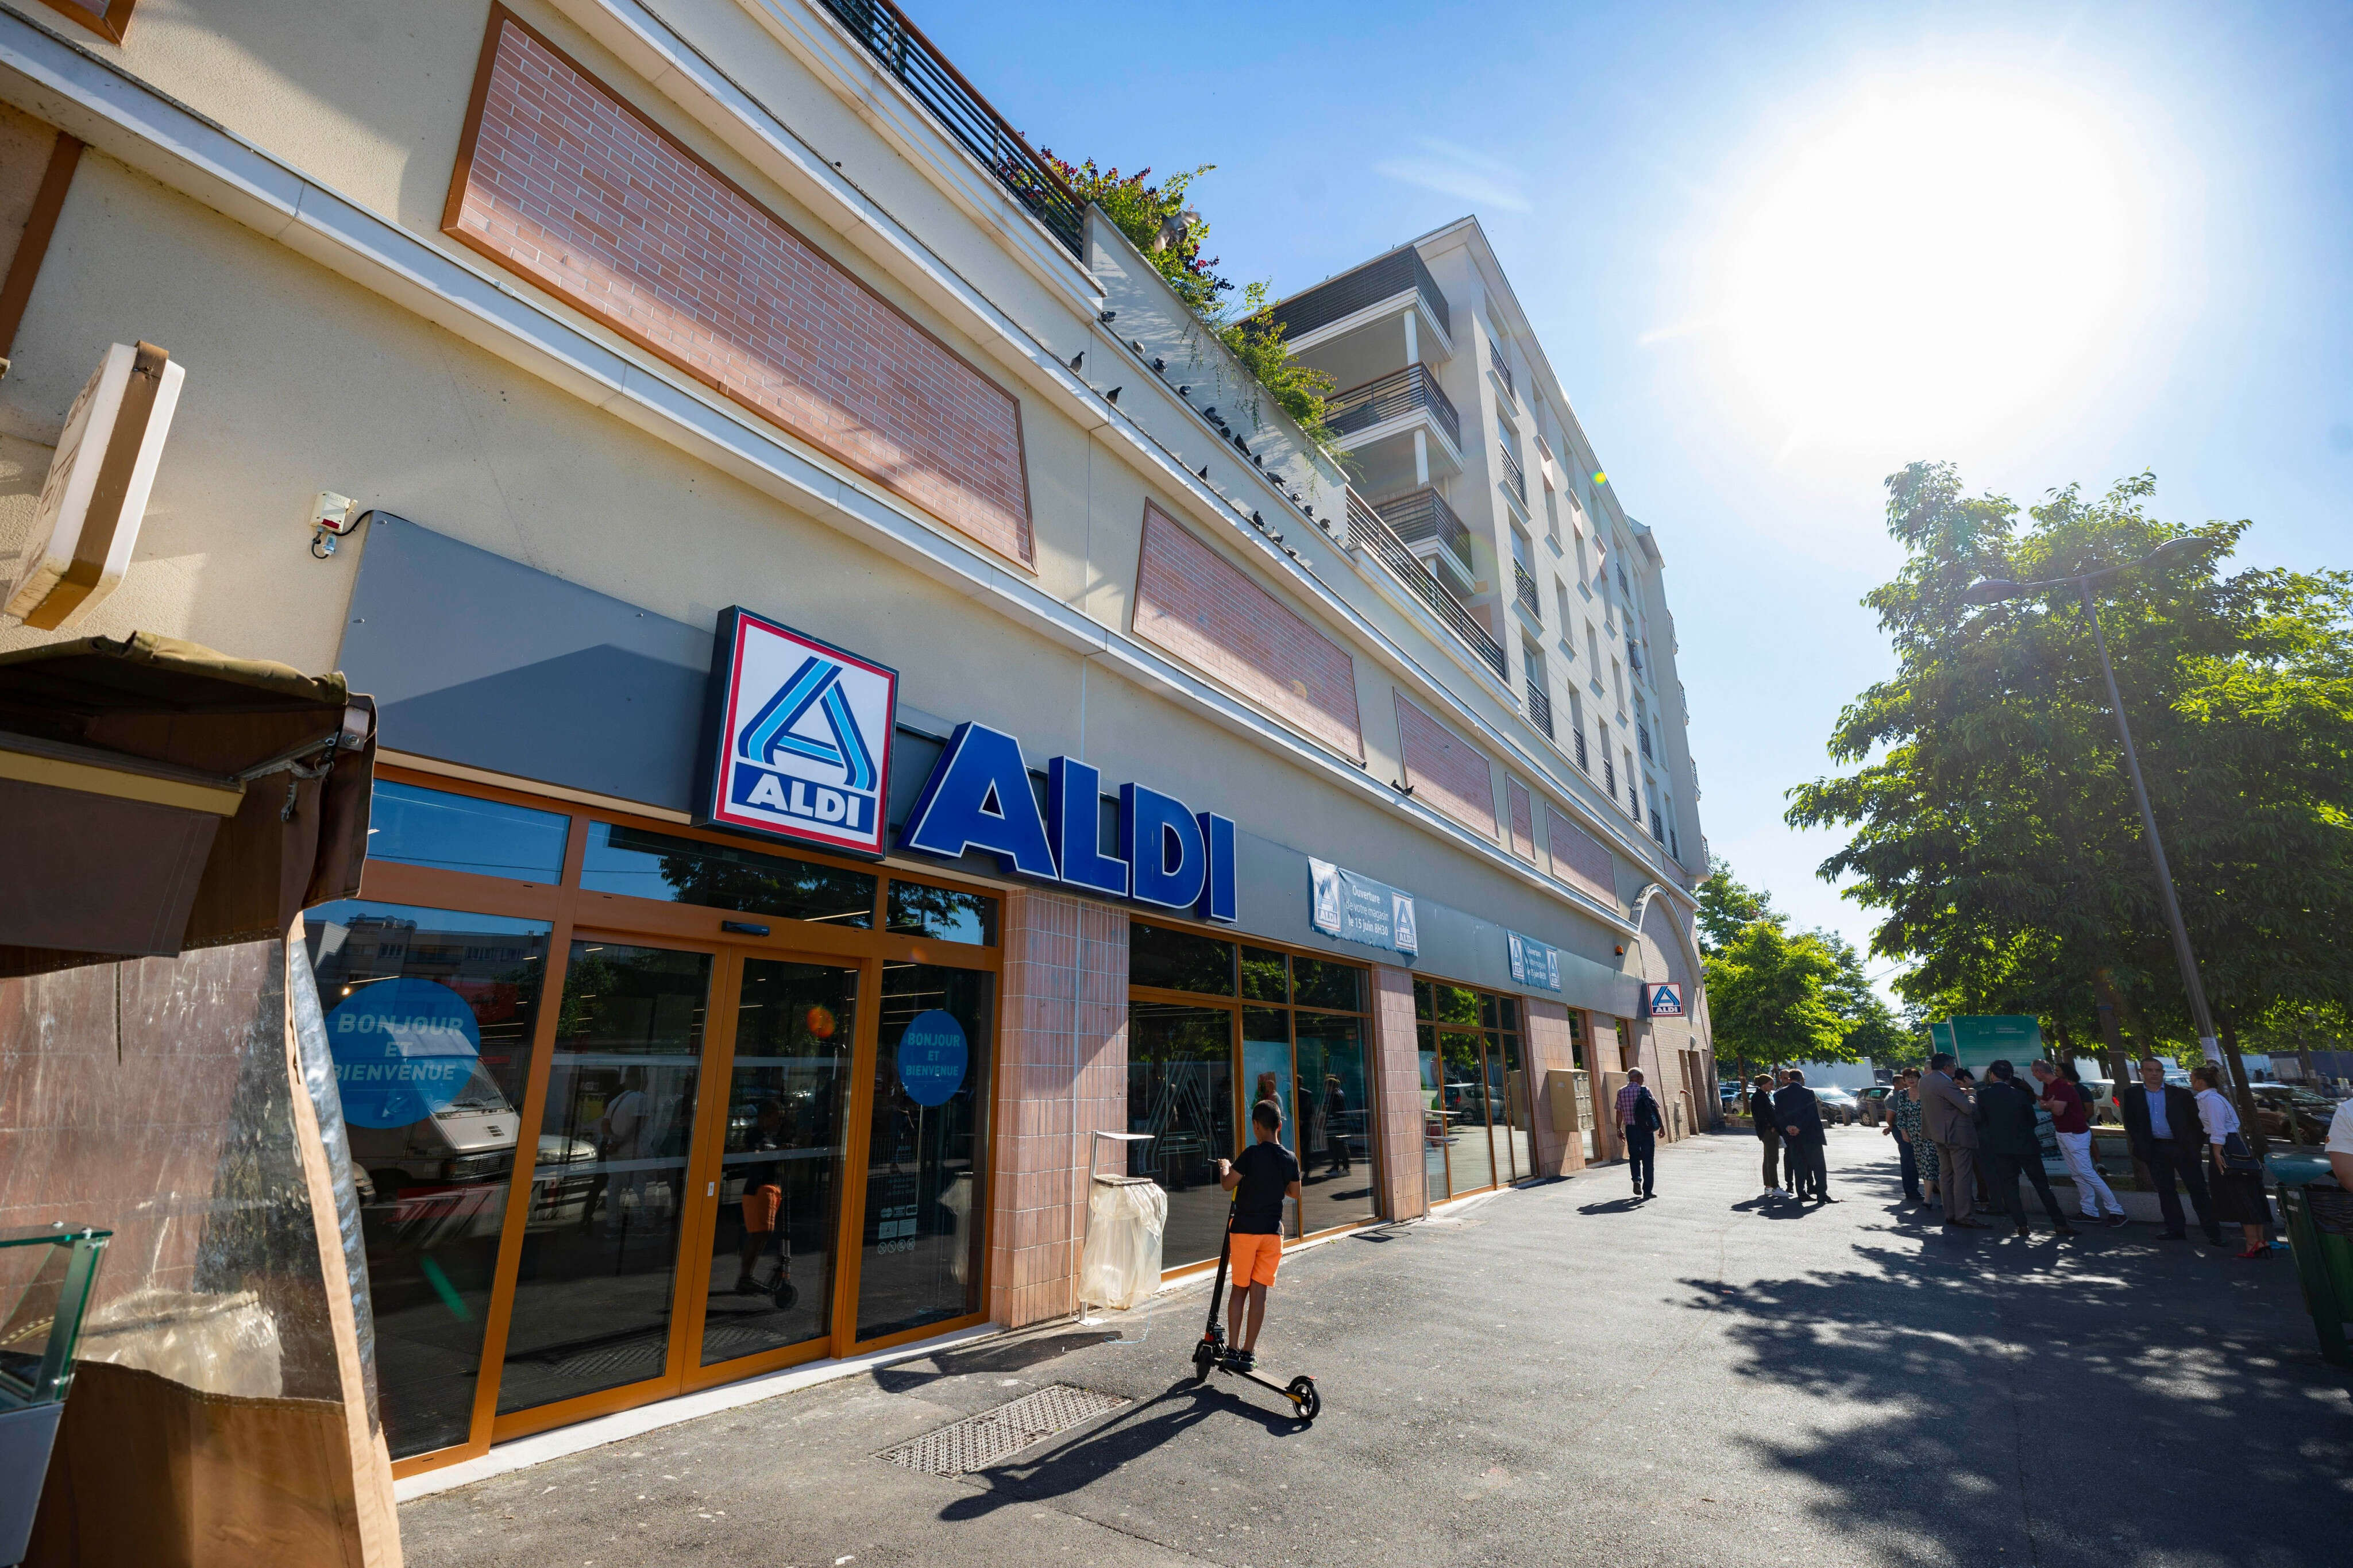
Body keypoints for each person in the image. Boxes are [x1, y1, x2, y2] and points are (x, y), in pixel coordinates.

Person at [1215, 1100, 1302, 1373]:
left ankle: (1232, 1349)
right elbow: (1296, 1193)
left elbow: (1228, 1184)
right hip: (1271, 1234)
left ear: (1255, 1127)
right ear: (1279, 1126)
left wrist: (1225, 1166)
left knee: (1239, 1289)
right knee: (1259, 1293)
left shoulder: (1251, 1154)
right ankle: (1248, 1353)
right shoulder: (1290, 1158)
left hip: (1244, 1232)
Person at [2119, 1057, 2223, 1244]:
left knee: (2198, 1189)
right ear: (2142, 1072)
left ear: (2163, 1073)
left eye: (2158, 1070)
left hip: (2182, 1148)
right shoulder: (2132, 1095)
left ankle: (2213, 1233)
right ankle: (2175, 1229)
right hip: (2155, 1149)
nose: (2154, 1074)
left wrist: (2193, 1147)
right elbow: (2132, 1123)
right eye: (2150, 1070)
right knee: (2166, 1191)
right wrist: (2142, 1146)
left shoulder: (2180, 1094)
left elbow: (2197, 1123)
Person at [1973, 1060, 2076, 1238]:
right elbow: (2032, 1121)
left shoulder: (1983, 1096)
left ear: (1992, 1075)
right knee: (2042, 1186)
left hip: (2001, 1148)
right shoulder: (2020, 1096)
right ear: (2010, 1076)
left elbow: (1981, 1121)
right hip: (2027, 1146)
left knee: (2010, 1187)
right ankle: (2059, 1223)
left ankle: (2021, 1225)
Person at [2190, 1065, 2272, 1260]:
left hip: (2226, 1147)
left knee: (2240, 1194)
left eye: (2193, 1079)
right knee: (2249, 1194)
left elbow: (2218, 1129)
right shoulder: (2215, 1098)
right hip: (2233, 1145)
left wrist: (2217, 1153)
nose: (2191, 1082)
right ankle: (2259, 1241)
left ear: (2201, 1082)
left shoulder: (2210, 1100)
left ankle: (2253, 1242)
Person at [2032, 1059, 2126, 1227]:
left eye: (2034, 1072)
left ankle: (2117, 1211)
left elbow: (2058, 1111)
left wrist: (2048, 1105)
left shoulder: (2061, 1087)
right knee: (2077, 1174)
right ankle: (2089, 1211)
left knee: (2086, 1172)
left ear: (2040, 1072)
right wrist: (2048, 1104)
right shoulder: (2049, 1087)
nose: (2033, 1075)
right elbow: (2048, 1106)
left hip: (2075, 1134)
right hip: (2063, 1133)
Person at [733, 1097, 793, 1295]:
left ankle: (746, 1276)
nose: (779, 1123)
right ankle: (745, 1277)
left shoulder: (768, 1136)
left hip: (768, 1188)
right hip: (759, 1189)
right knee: (759, 1234)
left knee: (762, 1234)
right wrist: (776, 1152)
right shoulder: (755, 1135)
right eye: (776, 1118)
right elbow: (754, 1155)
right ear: (764, 1118)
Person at [1919, 1053, 1984, 1229]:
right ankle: (1964, 1216)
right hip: (1957, 1135)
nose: (1955, 1069)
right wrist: (1972, 1094)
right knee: (1962, 1176)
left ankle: (1950, 1214)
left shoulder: (1925, 1081)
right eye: (1953, 1066)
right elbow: (1967, 1108)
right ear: (1947, 1067)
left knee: (1946, 1175)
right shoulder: (1946, 1082)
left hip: (1938, 1134)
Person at [1775, 1069, 1832, 1203]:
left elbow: (1779, 1115)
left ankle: (1801, 1193)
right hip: (1810, 1135)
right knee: (1818, 1166)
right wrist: (1799, 1127)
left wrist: (1788, 1127)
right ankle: (1822, 1194)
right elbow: (1811, 1114)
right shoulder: (1808, 1092)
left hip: (1792, 1136)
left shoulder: (1779, 1094)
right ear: (1801, 1079)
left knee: (1799, 1165)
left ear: (1789, 1079)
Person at [1883, 1069, 1926, 1206]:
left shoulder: (1901, 1094)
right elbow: (1890, 1117)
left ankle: (1915, 1189)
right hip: (1902, 1131)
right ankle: (1911, 1191)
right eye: (1905, 1082)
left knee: (1913, 1160)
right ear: (1897, 1084)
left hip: (1906, 1130)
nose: (1908, 1084)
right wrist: (1892, 1128)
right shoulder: (1895, 1097)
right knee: (1909, 1161)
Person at [1617, 1069, 1662, 1198]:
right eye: (1642, 1076)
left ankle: (1636, 1179)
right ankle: (1648, 1191)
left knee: (1634, 1156)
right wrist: (1661, 1127)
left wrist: (1618, 1129)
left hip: (1631, 1129)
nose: (1643, 1079)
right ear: (1637, 1077)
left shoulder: (1621, 1091)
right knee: (1648, 1159)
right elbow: (1654, 1110)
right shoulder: (1645, 1090)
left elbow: (1619, 1112)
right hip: (1646, 1130)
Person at [1750, 1073, 1785, 1195]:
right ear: (1764, 1084)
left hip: (1767, 1131)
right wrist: (1771, 1127)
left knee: (1768, 1159)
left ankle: (1769, 1187)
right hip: (1768, 1132)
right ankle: (1775, 1187)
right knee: (1772, 1159)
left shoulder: (1761, 1096)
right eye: (1770, 1084)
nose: (1772, 1086)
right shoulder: (1759, 1097)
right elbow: (1759, 1116)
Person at [1321, 1075, 1351, 1175]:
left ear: (1329, 1086)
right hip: (1339, 1123)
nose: (1325, 1089)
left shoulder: (1332, 1095)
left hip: (1334, 1124)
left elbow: (1326, 1109)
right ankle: (1343, 1167)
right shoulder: (1340, 1093)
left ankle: (1338, 1167)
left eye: (1326, 1087)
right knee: (1341, 1145)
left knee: (1335, 1146)